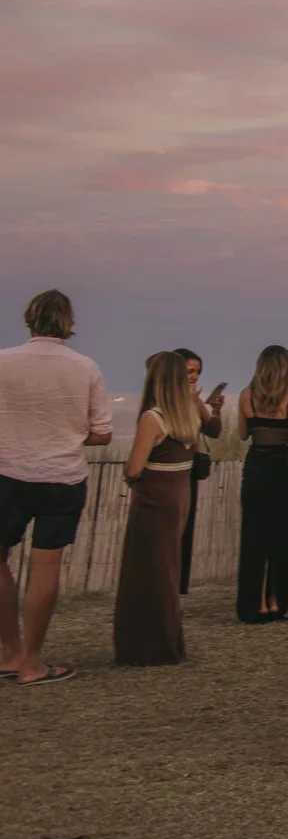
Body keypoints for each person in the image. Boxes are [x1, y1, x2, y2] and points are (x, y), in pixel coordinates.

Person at [0, 291, 113, 687]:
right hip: (62, 477)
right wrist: (65, 434)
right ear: (68, 321)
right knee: (45, 567)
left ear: (29, 318)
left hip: (6, 472)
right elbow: (102, 433)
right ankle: (32, 661)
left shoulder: (3, 361)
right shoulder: (84, 368)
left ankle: (9, 652)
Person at [113, 351, 199, 667]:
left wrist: (128, 474)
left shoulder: (154, 418)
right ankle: (168, 640)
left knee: (145, 572)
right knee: (167, 569)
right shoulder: (189, 416)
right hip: (179, 496)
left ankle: (145, 646)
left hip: (152, 501)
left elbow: (135, 467)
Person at [233, 344, 288, 623]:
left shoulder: (247, 395)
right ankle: (276, 601)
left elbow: (242, 434)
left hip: (257, 467)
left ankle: (254, 603)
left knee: (254, 538)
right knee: (281, 537)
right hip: (283, 468)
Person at [173, 350, 226, 596]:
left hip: (189, 471)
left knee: (185, 529)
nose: (193, 377)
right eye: (189, 372)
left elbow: (213, 431)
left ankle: (178, 588)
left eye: (197, 372)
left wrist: (213, 410)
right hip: (169, 472)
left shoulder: (194, 399)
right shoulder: (165, 400)